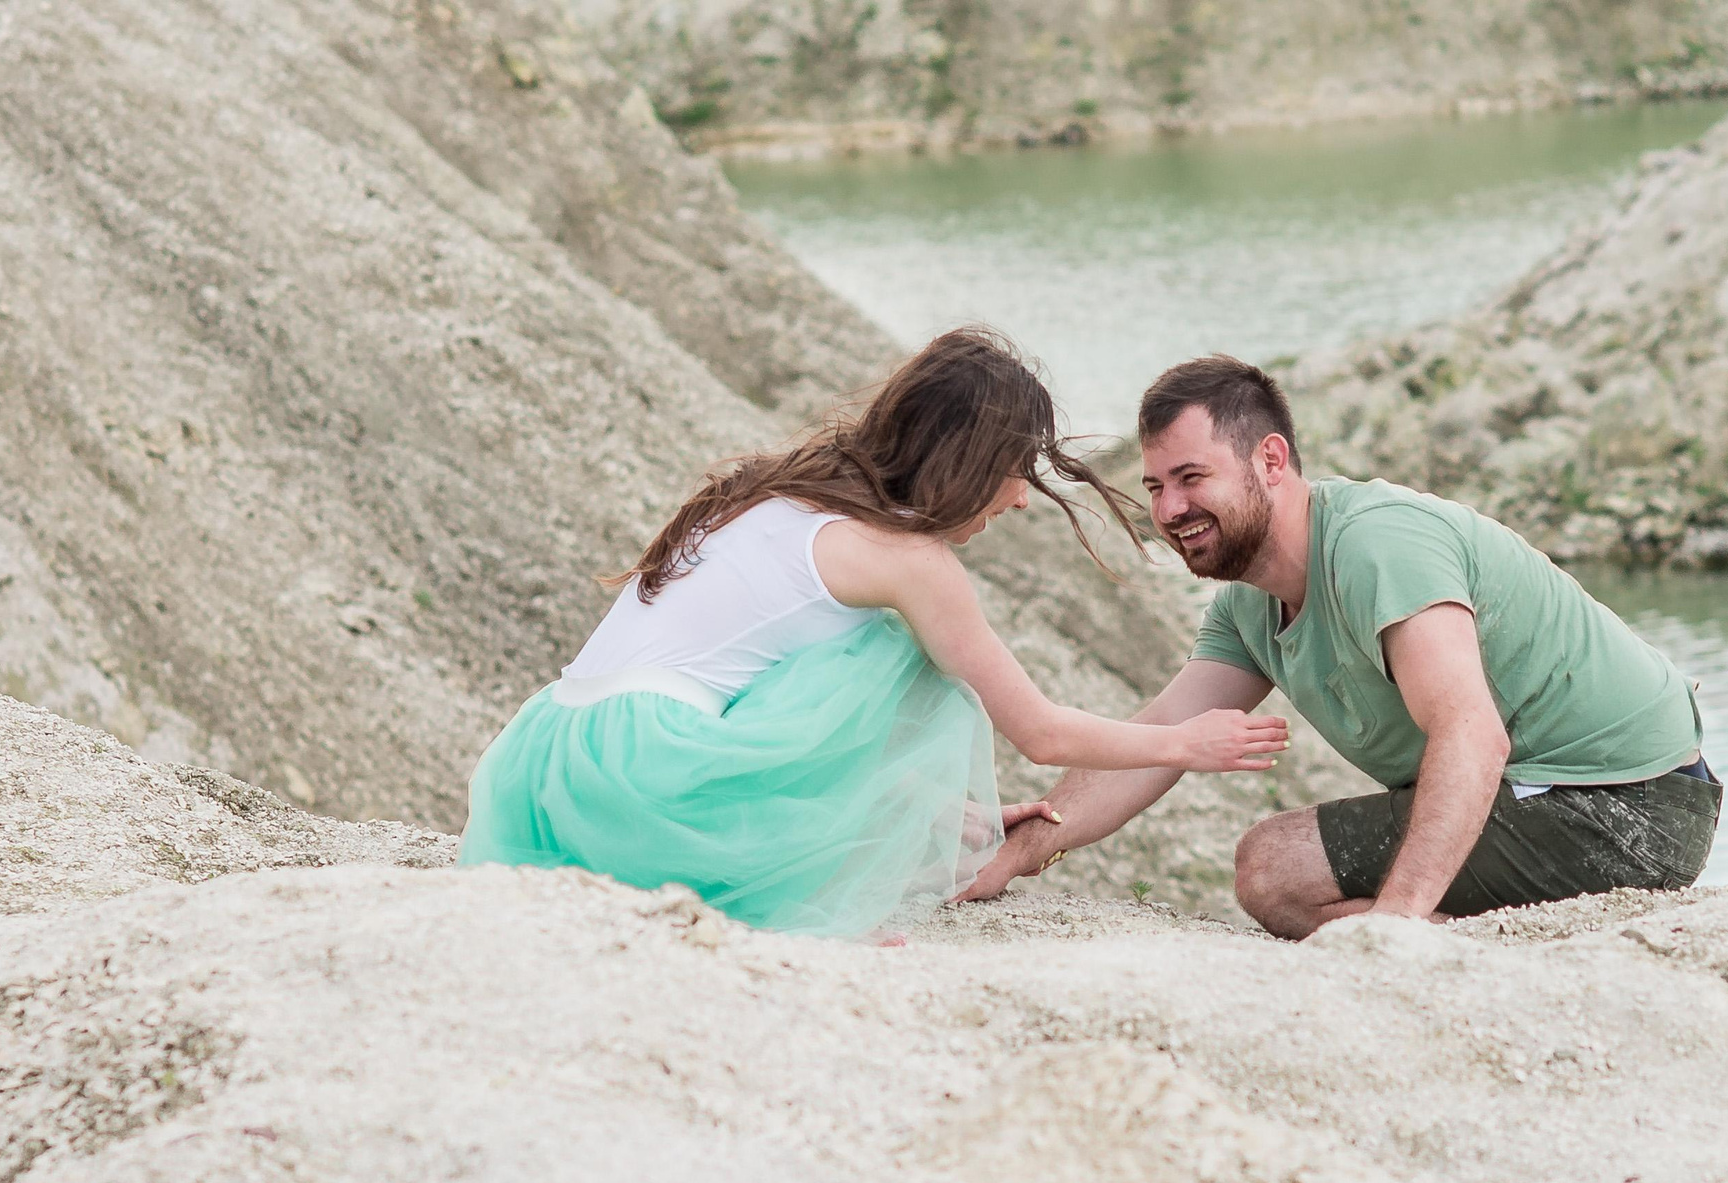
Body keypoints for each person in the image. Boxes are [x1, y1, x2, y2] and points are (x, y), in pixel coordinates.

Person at [458, 328, 1288, 936]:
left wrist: (922, 806)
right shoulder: (907, 558)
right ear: (969, 458)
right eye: (1016, 470)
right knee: (906, 658)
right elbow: (1038, 733)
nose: (1021, 498)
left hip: (549, 766)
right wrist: (1185, 744)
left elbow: (752, 690)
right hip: (647, 786)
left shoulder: (776, 490)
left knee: (853, 648)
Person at [962, 355, 1719, 937]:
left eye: (1192, 478)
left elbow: (1471, 733)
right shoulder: (1248, 605)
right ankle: (1465, 944)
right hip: (1539, 796)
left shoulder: (1375, 545)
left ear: (1271, 461)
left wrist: (1391, 928)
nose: (1171, 509)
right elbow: (1159, 737)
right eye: (1156, 486)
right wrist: (1016, 854)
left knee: (1277, 867)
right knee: (1275, 876)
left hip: (1628, 803)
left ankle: (1415, 941)